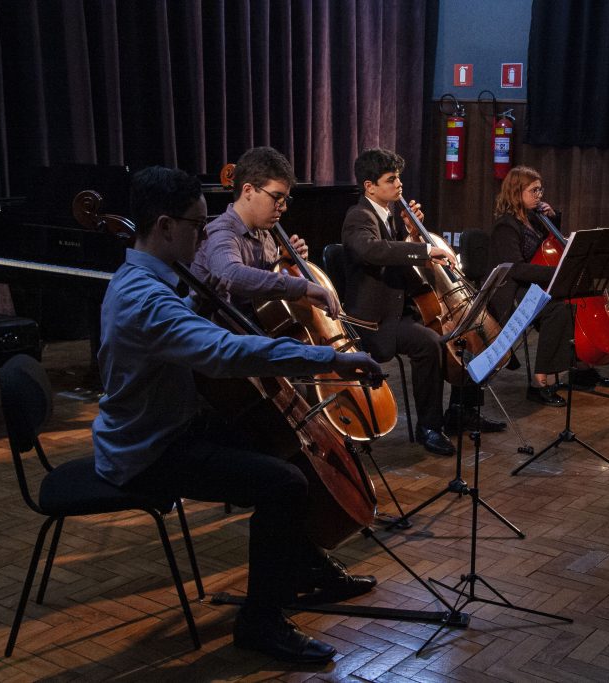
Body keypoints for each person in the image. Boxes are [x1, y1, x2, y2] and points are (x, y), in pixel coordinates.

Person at [92, 166, 384, 664]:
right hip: (148, 448)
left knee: (277, 439)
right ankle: (260, 623)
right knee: (283, 484)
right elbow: (225, 351)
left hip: (171, 422)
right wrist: (330, 358)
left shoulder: (152, 276)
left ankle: (300, 566)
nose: (204, 236)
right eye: (195, 225)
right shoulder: (145, 300)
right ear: (164, 227)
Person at [341, 148, 496, 456]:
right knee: (430, 343)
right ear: (369, 186)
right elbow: (374, 251)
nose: (399, 184)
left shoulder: (388, 216)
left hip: (403, 309)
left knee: (459, 334)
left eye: (399, 178)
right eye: (391, 179)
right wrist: (424, 250)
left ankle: (460, 410)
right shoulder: (358, 216)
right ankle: (429, 426)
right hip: (375, 320)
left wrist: (412, 235)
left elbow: (399, 257)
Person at [487, 166, 609, 407]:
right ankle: (540, 382)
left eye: (540, 190)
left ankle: (580, 366)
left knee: (573, 298)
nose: (539, 195)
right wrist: (557, 273)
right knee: (558, 308)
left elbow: (550, 248)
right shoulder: (506, 226)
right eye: (533, 190)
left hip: (535, 284)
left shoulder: (534, 219)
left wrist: (553, 218)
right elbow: (516, 268)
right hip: (513, 291)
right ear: (516, 192)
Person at [190, 146, 340, 320]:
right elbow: (231, 274)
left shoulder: (265, 234)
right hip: (224, 338)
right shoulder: (221, 233)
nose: (283, 207)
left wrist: (286, 263)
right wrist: (303, 286)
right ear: (248, 191)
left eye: (286, 200)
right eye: (277, 197)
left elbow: (264, 286)